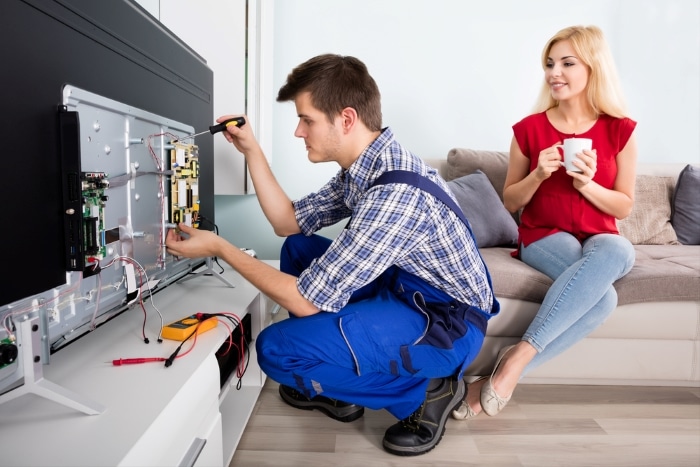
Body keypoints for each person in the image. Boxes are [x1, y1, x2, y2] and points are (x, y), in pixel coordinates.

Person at [165, 54, 499, 456]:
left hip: (444, 323)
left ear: (345, 119)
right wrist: (251, 150)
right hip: (405, 290)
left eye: (307, 120)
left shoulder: (394, 195)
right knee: (298, 247)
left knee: (275, 350)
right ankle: (344, 383)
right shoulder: (364, 168)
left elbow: (305, 301)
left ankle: (426, 392)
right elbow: (288, 222)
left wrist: (220, 247)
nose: (298, 131)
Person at [452, 25, 637, 421]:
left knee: (618, 248)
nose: (555, 72)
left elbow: (622, 207)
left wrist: (586, 185)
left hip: (600, 238)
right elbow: (510, 201)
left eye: (567, 63)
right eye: (550, 64)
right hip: (543, 237)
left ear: (593, 68)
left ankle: (515, 358)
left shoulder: (619, 129)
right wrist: (537, 174)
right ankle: (510, 367)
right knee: (603, 299)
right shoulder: (529, 129)